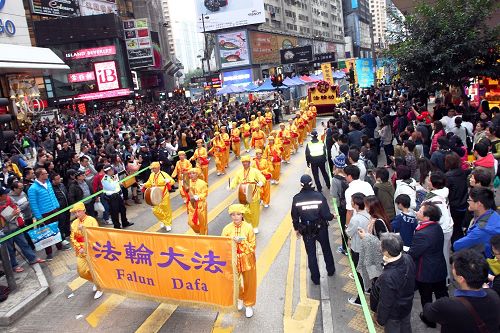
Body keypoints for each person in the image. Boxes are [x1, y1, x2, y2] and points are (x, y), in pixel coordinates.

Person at [423, 249, 500, 332]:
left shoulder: (446, 305)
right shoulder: (494, 296)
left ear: (461, 278)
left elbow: (428, 312)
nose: (452, 270)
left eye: (453, 268)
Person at [409, 202, 449, 328]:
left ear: (426, 217)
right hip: (439, 267)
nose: (417, 212)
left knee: (426, 297)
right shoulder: (436, 227)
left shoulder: (422, 233)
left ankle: (429, 318)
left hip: (425, 271)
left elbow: (413, 253)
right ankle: (447, 316)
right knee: (442, 294)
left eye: (420, 211)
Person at [291, 174, 335, 285]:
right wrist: (332, 216)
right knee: (326, 249)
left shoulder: (296, 199)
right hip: (321, 229)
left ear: (301, 185)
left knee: (311, 254)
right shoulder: (319, 196)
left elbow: (295, 216)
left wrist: (296, 229)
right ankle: (330, 271)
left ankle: (315, 279)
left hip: (306, 231)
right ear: (311, 183)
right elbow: (326, 215)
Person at [370, 233, 416, 332]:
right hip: (407, 305)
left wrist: (380, 320)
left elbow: (385, 302)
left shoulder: (387, 276)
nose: (379, 246)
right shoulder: (408, 258)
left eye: (381, 245)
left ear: (386, 252)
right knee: (406, 326)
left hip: (394, 313)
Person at [221, 204, 256, 318]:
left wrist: (242, 242)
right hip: (233, 259)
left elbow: (252, 246)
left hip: (247, 259)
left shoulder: (248, 228)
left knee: (249, 283)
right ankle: (240, 298)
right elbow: (222, 245)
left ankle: (249, 304)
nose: (236, 217)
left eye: (238, 214)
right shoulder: (226, 228)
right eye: (233, 214)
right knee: (234, 281)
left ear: (242, 215)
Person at [0, 187, 45, 273]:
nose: (6, 195)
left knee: (24, 243)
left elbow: (16, 206)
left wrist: (17, 210)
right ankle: (14, 265)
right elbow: (5, 218)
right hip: (5, 231)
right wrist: (12, 213)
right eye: (4, 194)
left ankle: (33, 258)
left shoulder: (9, 199)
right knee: (10, 249)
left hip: (16, 226)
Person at [28, 168, 68, 260]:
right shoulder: (33, 189)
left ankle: (59, 246)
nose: (47, 175)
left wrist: (56, 205)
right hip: (44, 213)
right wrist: (38, 216)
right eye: (45, 173)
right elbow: (33, 204)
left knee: (56, 229)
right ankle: (49, 253)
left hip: (54, 209)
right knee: (46, 232)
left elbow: (53, 195)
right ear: (40, 175)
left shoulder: (48, 183)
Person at [423, 171, 454, 282]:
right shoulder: (443, 192)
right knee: (445, 252)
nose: (427, 180)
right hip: (447, 227)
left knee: (443, 254)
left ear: (433, 183)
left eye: (429, 179)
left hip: (442, 229)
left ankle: (446, 278)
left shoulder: (435, 199)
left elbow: (436, 217)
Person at [69, 202, 103, 300]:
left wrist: (84, 230)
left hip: (91, 251)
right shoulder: (74, 223)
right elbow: (72, 237)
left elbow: (95, 235)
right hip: (80, 252)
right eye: (75, 212)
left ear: (84, 210)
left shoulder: (91, 220)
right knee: (82, 272)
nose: (77, 214)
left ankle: (100, 288)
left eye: (78, 211)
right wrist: (79, 248)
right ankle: (96, 282)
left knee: (93, 269)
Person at [453, 187, 500, 258]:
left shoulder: (480, 231)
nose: (467, 202)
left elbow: (457, 246)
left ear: (479, 204)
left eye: (469, 200)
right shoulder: (493, 213)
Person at [345, 192, 371, 304]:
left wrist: (346, 228)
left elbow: (349, 232)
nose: (350, 203)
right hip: (368, 247)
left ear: (356, 205)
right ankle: (368, 289)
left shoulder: (355, 219)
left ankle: (360, 299)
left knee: (359, 272)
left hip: (358, 248)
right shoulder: (369, 214)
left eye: (352, 201)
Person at [229, 155, 266, 234]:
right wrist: (231, 186)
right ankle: (248, 224)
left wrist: (261, 182)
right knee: (244, 211)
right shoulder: (239, 172)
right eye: (243, 162)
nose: (245, 163)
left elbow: (262, 177)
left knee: (255, 212)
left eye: (246, 162)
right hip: (243, 195)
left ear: (249, 163)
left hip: (254, 195)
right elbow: (235, 180)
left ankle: (255, 226)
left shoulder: (255, 171)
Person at [142, 161, 175, 232]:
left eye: (154, 168)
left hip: (164, 194)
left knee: (166, 209)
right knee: (155, 210)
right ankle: (163, 220)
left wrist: (168, 181)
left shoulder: (163, 174)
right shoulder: (151, 175)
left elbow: (172, 181)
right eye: (152, 168)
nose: (153, 170)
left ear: (158, 168)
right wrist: (144, 184)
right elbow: (149, 183)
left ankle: (168, 224)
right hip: (155, 196)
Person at [101, 164, 133, 229]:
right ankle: (117, 226)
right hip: (112, 197)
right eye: (111, 170)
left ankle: (125, 222)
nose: (113, 171)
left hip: (118, 195)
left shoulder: (113, 176)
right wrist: (116, 181)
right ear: (108, 171)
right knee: (114, 212)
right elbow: (112, 188)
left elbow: (117, 186)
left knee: (123, 209)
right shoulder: (105, 179)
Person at [330, 153, 348, 255]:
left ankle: (344, 248)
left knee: (343, 226)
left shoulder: (335, 180)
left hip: (342, 206)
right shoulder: (348, 175)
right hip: (351, 204)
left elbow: (333, 194)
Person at [184, 168, 208, 235]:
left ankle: (204, 235)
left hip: (201, 205)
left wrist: (198, 197)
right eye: (190, 173)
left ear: (197, 174)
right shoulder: (188, 182)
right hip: (191, 205)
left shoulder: (202, 183)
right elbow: (186, 192)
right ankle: (199, 231)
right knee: (190, 222)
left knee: (202, 223)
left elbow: (205, 193)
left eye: (193, 173)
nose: (191, 175)